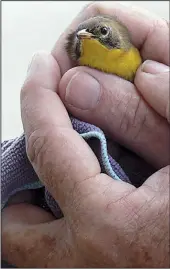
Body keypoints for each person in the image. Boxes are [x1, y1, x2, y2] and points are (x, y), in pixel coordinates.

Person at [2, 2, 169, 267]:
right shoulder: (83, 66)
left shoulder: (135, 61)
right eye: (84, 36)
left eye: (101, 31)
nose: (89, 37)